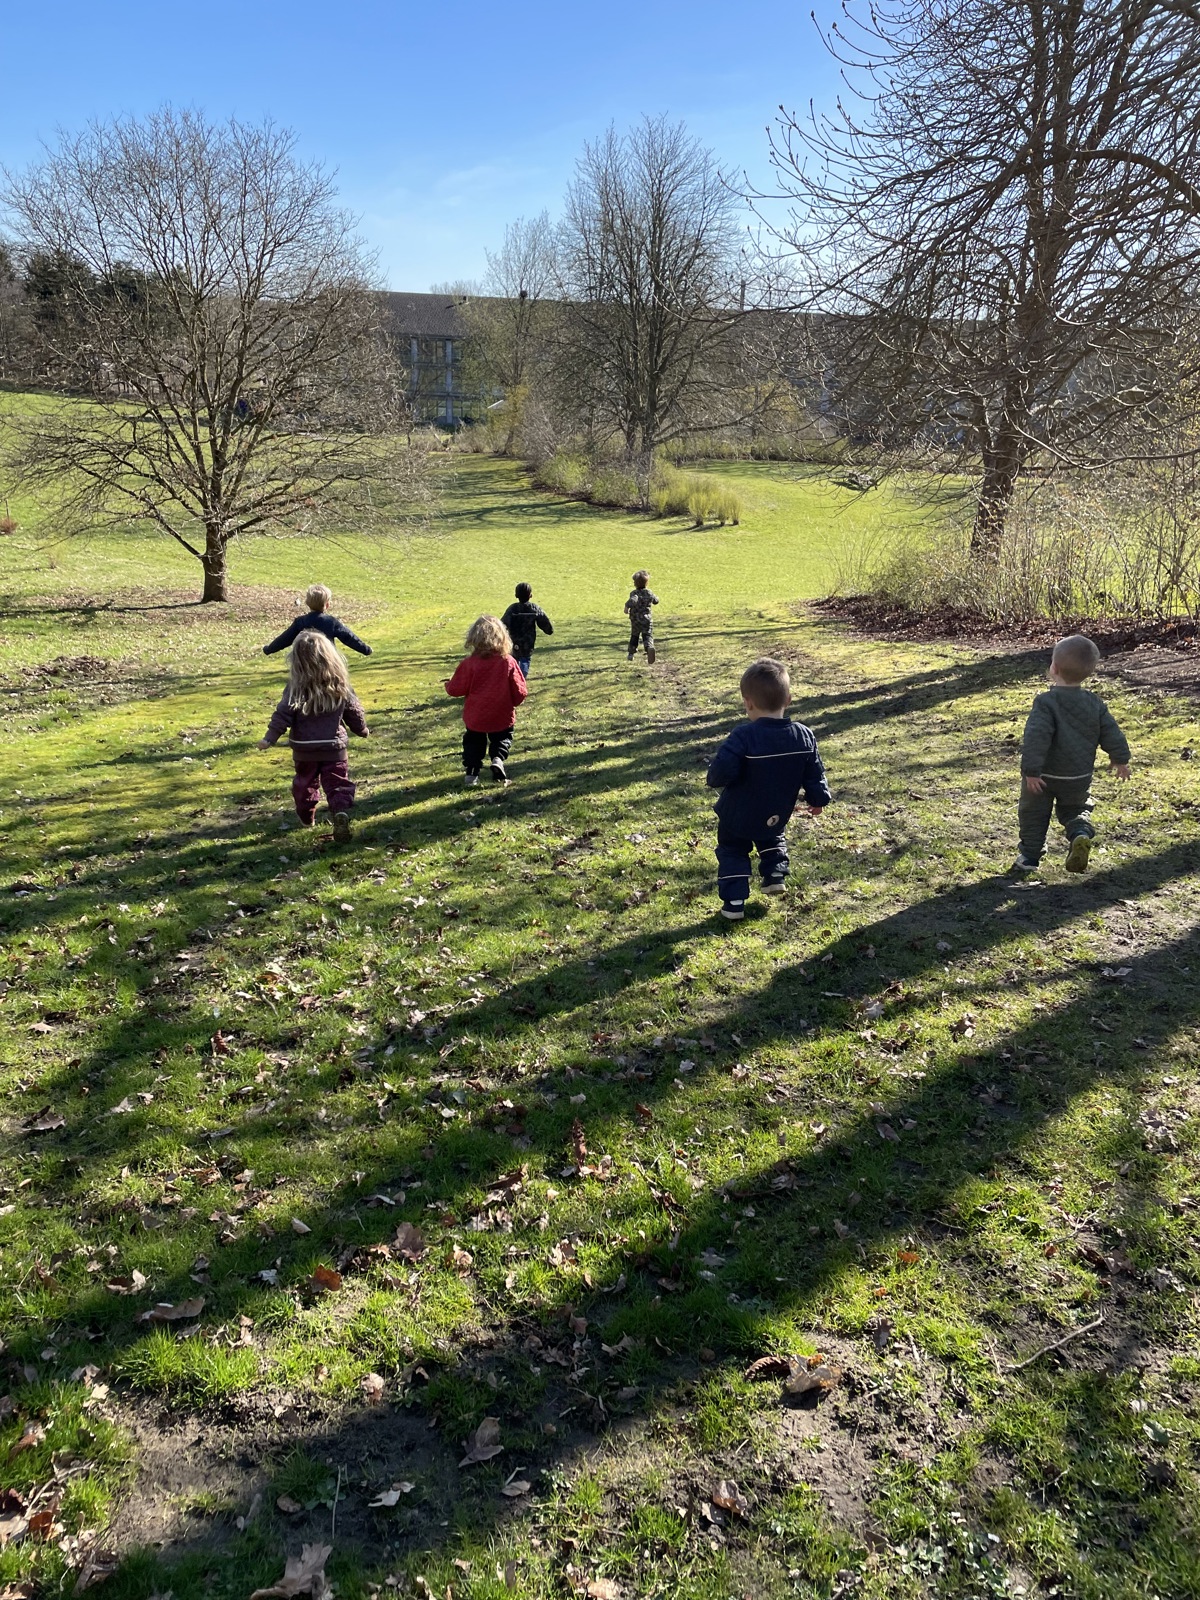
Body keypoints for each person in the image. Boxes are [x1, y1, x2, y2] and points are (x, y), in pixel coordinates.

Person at [706, 657, 831, 921]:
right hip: (777, 808)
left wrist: (715, 778)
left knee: (732, 849)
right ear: (788, 700)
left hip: (738, 812)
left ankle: (734, 902)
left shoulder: (743, 736)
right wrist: (818, 799)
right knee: (772, 834)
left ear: (748, 703)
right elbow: (814, 772)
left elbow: (722, 771)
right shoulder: (804, 735)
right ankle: (774, 874)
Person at [1015, 633, 1131, 873]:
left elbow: (1037, 738)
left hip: (1044, 776)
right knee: (1075, 810)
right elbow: (1111, 731)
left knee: (1034, 814)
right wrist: (1120, 758)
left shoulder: (1046, 703)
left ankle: (1030, 857)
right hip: (1078, 775)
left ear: (1054, 668)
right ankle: (1079, 833)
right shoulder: (1094, 703)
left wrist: (1031, 771)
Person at [258, 630, 369, 842]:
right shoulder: (340, 685)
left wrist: (269, 738)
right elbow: (353, 710)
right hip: (334, 748)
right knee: (337, 783)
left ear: (296, 661)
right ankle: (340, 811)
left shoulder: (294, 689)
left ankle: (306, 814)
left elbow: (282, 714)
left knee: (304, 783)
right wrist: (361, 729)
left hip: (304, 749)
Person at [444, 615, 528, 786]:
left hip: (476, 714)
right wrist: (514, 702)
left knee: (473, 742)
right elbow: (520, 691)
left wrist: (448, 685)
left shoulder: (470, 664)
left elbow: (456, 689)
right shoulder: (508, 662)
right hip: (501, 712)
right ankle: (497, 759)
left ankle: (472, 773)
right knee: (502, 738)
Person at [262, 584, 373, 658]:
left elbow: (284, 639)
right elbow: (348, 637)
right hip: (327, 659)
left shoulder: (300, 622)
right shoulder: (331, 622)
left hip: (305, 662)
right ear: (327, 605)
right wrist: (365, 649)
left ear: (306, 603)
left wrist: (269, 649)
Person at [501, 582, 554, 678]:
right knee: (525, 659)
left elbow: (503, 624)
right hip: (528, 642)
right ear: (530, 595)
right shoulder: (534, 608)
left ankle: (513, 677)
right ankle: (521, 678)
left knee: (513, 659)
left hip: (513, 641)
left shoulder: (512, 609)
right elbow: (544, 622)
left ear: (516, 595)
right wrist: (549, 630)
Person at [625, 570, 658, 663]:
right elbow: (656, 600)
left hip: (635, 619)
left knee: (634, 636)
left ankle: (631, 653)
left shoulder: (634, 593)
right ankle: (649, 648)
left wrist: (626, 607)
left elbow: (633, 600)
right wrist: (655, 599)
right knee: (647, 635)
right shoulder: (649, 593)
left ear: (635, 583)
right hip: (647, 619)